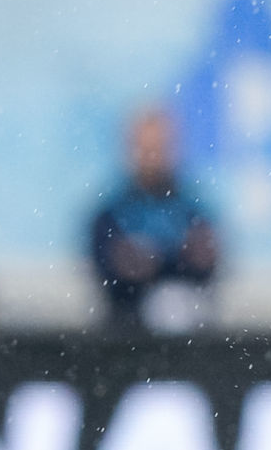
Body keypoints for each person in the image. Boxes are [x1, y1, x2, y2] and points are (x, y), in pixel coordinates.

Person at [89, 107, 220, 331]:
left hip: (192, 334)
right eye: (146, 149)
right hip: (125, 334)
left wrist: (152, 263)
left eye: (159, 148)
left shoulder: (193, 210)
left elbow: (206, 265)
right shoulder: (112, 213)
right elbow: (109, 270)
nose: (153, 159)